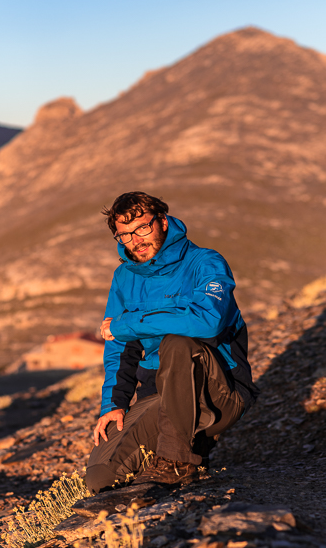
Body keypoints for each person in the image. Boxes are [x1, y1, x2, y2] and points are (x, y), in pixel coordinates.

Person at [84, 192, 256, 491]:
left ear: (162, 222)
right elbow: (119, 347)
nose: (135, 240)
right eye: (124, 235)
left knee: (178, 342)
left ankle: (178, 460)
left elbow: (208, 321)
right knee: (101, 477)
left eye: (142, 228)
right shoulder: (124, 277)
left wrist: (129, 323)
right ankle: (177, 450)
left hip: (217, 391)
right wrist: (114, 402)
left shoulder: (206, 262)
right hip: (158, 395)